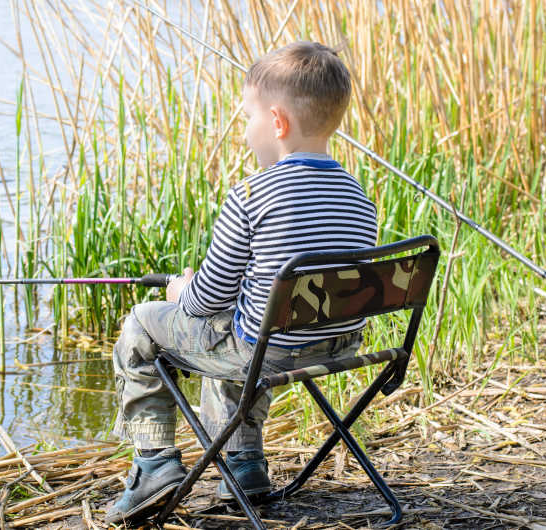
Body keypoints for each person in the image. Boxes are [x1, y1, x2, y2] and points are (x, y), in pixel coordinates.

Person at [105, 41, 378, 525]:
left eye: (248, 116)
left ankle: (154, 464)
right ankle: (244, 465)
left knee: (143, 325)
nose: (245, 128)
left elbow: (205, 301)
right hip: (336, 345)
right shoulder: (357, 194)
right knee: (240, 328)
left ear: (277, 122)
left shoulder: (251, 195)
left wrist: (179, 291)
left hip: (267, 353)